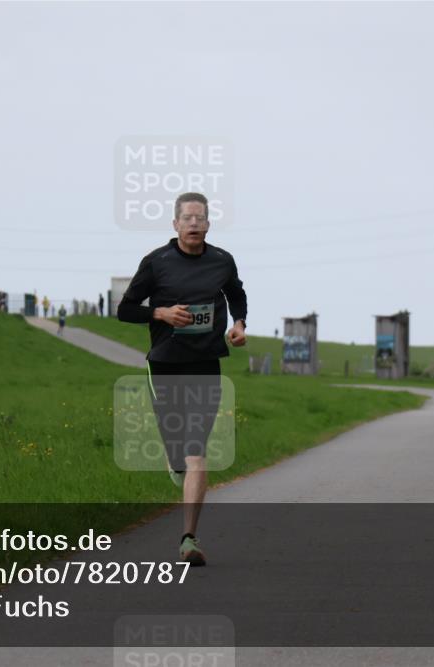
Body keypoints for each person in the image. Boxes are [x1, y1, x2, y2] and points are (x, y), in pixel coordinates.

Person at [117, 192, 247, 567]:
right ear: (175, 225)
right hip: (166, 364)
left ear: (208, 224)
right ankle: (174, 461)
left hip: (206, 363)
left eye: (200, 218)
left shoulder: (223, 261)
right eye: (187, 218)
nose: (194, 223)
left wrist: (238, 324)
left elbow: (236, 294)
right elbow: (125, 310)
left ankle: (188, 537)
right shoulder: (156, 262)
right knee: (178, 450)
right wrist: (161, 313)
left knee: (197, 451)